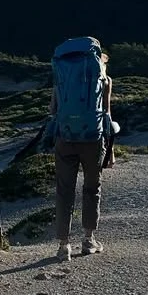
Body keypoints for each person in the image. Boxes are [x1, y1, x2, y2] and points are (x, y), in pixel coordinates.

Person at [49, 38, 114, 262]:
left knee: (64, 190)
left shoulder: (61, 77)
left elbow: (53, 109)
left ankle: (63, 245)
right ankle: (88, 240)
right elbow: (106, 113)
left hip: (65, 138)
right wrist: (111, 150)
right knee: (92, 187)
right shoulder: (104, 78)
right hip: (93, 138)